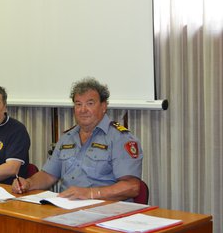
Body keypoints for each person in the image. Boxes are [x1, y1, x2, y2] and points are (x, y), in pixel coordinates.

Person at [12, 77, 143, 201]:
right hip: (67, 207)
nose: (83, 110)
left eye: (90, 103)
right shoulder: (67, 138)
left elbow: (132, 187)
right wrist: (28, 183)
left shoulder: (120, 138)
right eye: (78, 104)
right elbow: (48, 175)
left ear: (104, 107)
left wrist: (91, 193)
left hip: (105, 210)